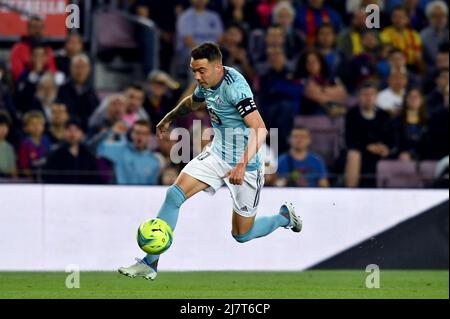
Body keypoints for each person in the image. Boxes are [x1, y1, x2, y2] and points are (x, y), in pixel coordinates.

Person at [118, 42, 302, 280]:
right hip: (217, 154)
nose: (197, 76)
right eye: (194, 71)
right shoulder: (206, 82)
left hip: (247, 165)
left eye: (201, 71)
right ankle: (149, 263)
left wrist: (242, 164)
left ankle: (284, 218)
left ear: (218, 67)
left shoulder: (235, 89)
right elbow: (192, 103)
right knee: (174, 195)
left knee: (242, 235)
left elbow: (260, 129)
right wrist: (168, 118)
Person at [344, 82, 391, 187]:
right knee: (353, 155)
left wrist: (385, 148)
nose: (369, 98)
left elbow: (391, 139)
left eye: (372, 94)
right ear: (359, 97)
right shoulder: (351, 115)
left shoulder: (385, 116)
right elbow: (349, 141)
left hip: (379, 154)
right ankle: (350, 193)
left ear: (376, 96)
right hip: (359, 152)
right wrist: (367, 147)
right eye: (365, 94)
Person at [97, 119, 161, 185]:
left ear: (149, 136)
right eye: (137, 132)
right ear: (132, 134)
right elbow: (100, 148)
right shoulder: (121, 149)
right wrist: (112, 132)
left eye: (144, 134)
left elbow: (151, 188)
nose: (140, 136)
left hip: (141, 194)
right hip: (120, 192)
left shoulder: (154, 162)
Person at [43, 119, 101, 184]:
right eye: (69, 130)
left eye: (76, 130)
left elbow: (94, 178)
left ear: (81, 133)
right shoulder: (55, 155)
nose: (72, 134)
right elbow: (49, 178)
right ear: (64, 132)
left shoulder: (88, 155)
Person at [57, 54, 99, 130]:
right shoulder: (61, 90)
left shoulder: (92, 93)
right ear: (70, 69)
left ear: (89, 69)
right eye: (77, 67)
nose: (80, 71)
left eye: (83, 67)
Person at [9, 17, 57, 82]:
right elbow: (18, 74)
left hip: (45, 85)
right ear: (28, 28)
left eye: (40, 27)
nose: (37, 30)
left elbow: (52, 71)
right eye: (34, 27)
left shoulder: (48, 49)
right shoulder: (18, 48)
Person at [389, 87, 428, 161]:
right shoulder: (396, 121)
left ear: (422, 100)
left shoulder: (428, 121)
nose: (413, 99)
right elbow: (394, 142)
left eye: (416, 97)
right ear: (406, 99)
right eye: (410, 96)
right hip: (402, 156)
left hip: (423, 156)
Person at [17, 111, 51, 180]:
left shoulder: (46, 141)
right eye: (32, 124)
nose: (36, 127)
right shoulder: (25, 144)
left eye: (39, 123)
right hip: (30, 180)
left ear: (43, 126)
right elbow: (24, 166)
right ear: (26, 127)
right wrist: (32, 179)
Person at [0, 111, 17, 179]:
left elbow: (13, 170)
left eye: (6, 126)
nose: (3, 129)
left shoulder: (9, 147)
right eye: (1, 126)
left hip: (6, 181)